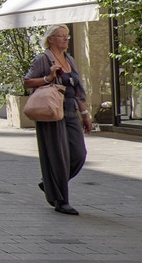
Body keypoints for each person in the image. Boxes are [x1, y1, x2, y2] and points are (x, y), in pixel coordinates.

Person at [24, 25, 92, 215]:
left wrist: (85, 114)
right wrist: (48, 77)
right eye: (61, 36)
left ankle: (50, 184)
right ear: (51, 39)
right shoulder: (43, 59)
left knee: (78, 154)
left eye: (67, 36)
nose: (66, 39)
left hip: (70, 110)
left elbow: (78, 89)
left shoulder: (69, 59)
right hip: (51, 111)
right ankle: (61, 200)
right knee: (58, 156)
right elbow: (27, 81)